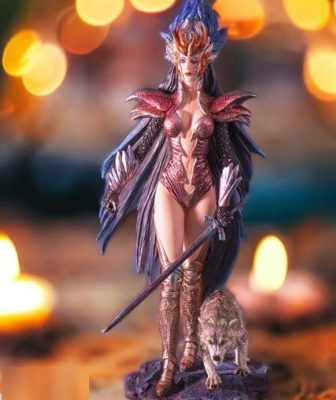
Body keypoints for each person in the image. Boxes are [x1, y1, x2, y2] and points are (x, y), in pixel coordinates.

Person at [97, 0, 264, 396]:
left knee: (192, 275)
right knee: (169, 278)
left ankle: (191, 344)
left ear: (207, 59)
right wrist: (116, 189)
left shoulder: (217, 111)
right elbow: (136, 152)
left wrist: (228, 201)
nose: (189, 64)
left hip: (204, 187)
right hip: (169, 187)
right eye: (184, 56)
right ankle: (169, 362)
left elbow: (227, 160)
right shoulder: (161, 106)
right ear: (174, 56)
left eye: (196, 57)